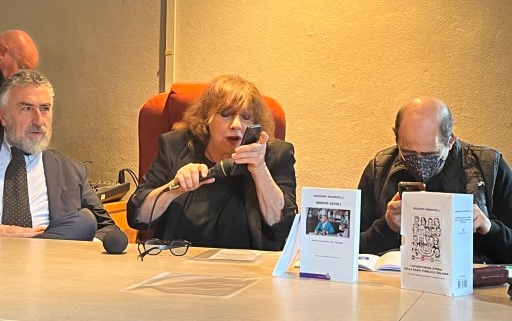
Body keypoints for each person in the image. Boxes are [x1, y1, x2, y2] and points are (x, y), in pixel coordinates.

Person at [359, 97, 512, 264]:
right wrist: (386, 227)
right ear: (396, 136)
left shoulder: (489, 166)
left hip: (469, 283)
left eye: (431, 155)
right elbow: (350, 247)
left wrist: (488, 228)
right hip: (392, 282)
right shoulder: (379, 169)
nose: (419, 162)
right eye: (408, 153)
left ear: (451, 141)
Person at [127, 75, 297, 250]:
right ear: (206, 118)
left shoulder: (276, 155)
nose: (236, 125)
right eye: (226, 114)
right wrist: (174, 188)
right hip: (181, 260)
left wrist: (260, 169)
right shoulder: (175, 146)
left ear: (256, 124)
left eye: (246, 117)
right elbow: (138, 217)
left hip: (251, 263)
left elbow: (284, 228)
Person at [0, 70, 118, 240]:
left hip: (54, 254)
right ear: (3, 116)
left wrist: (73, 246)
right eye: (27, 108)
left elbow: (109, 229)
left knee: (83, 221)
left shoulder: (71, 171)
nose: (38, 121)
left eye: (45, 109)